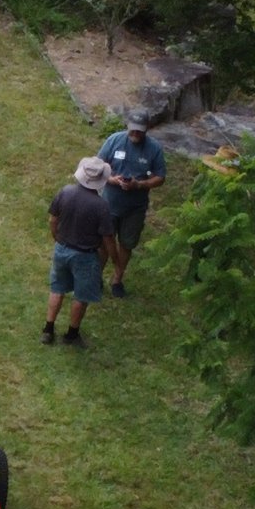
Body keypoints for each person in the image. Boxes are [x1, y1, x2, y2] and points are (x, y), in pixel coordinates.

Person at [44, 157, 116, 348]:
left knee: (57, 289)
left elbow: (53, 220)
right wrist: (115, 259)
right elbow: (108, 238)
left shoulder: (65, 192)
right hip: (85, 257)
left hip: (62, 250)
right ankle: (71, 335)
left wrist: (57, 238)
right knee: (81, 296)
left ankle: (48, 330)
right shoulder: (101, 206)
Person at [96, 116, 167, 298]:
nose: (135, 133)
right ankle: (96, 278)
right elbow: (98, 165)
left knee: (127, 244)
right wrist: (112, 179)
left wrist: (139, 185)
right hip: (110, 204)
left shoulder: (154, 149)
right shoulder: (114, 140)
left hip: (135, 207)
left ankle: (117, 280)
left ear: (147, 129)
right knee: (104, 242)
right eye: (133, 129)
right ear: (127, 126)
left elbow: (160, 177)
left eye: (139, 130)